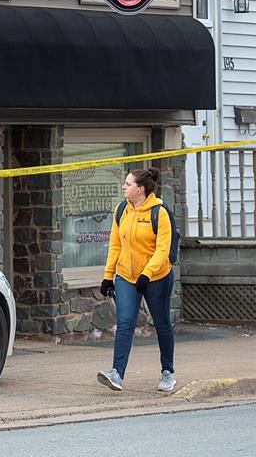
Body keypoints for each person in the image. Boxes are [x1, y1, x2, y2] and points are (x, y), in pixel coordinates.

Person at [97, 167, 175, 393]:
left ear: (140, 189)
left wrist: (147, 273)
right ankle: (116, 374)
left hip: (156, 277)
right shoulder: (121, 210)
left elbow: (162, 250)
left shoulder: (159, 213)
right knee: (125, 323)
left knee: (161, 324)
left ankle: (168, 372)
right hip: (126, 276)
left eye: (128, 184)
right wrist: (108, 276)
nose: (124, 187)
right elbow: (115, 245)